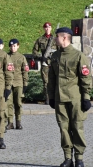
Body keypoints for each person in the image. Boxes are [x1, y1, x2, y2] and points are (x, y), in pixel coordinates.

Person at [48, 27, 92, 167]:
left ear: (64, 38)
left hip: (75, 99)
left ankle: (79, 158)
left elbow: (85, 78)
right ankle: (68, 158)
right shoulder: (55, 56)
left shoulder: (79, 56)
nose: (55, 39)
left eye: (57, 37)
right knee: (64, 128)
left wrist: (86, 97)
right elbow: (51, 79)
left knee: (77, 127)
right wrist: (51, 97)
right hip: (60, 99)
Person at [32, 22, 57, 104]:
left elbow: (60, 50)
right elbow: (34, 51)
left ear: (51, 28)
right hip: (45, 63)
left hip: (54, 62)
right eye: (46, 27)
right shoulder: (40, 39)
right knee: (46, 81)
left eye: (49, 27)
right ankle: (48, 99)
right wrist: (40, 57)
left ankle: (56, 98)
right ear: (44, 28)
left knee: (56, 80)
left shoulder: (55, 39)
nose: (47, 29)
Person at [6, 39, 29, 130]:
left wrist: (25, 83)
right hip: (8, 84)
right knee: (9, 103)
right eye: (11, 46)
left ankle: (18, 122)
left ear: (18, 46)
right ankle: (10, 122)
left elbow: (25, 71)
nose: (13, 48)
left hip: (18, 83)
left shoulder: (22, 57)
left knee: (18, 103)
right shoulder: (6, 56)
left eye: (14, 46)